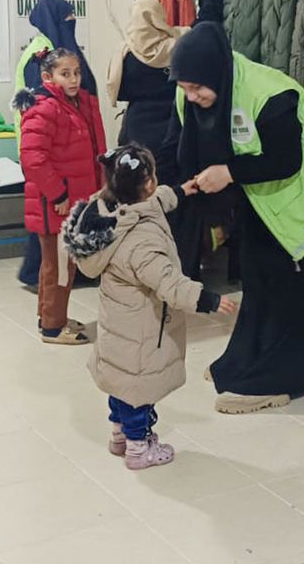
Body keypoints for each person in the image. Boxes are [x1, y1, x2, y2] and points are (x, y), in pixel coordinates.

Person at [171, 22, 304, 414]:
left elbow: (286, 160)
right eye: (185, 88)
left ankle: (284, 377)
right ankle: (245, 360)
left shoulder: (270, 93)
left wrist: (228, 173)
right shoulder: (193, 92)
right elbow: (184, 146)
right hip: (262, 198)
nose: (192, 96)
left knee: (295, 290)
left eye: (197, 88)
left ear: (216, 72)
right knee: (258, 277)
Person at [62, 143, 238, 469]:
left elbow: (156, 202)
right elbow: (168, 282)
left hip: (119, 326)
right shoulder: (141, 241)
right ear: (148, 183)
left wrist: (182, 191)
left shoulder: (113, 212)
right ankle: (138, 449)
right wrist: (207, 299)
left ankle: (119, 435)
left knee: (121, 382)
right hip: (142, 332)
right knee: (139, 393)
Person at [15, 48, 107, 345]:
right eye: (65, 74)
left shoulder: (74, 104)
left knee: (55, 265)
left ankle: (49, 317)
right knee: (60, 268)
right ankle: (53, 328)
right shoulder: (45, 107)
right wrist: (58, 194)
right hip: (57, 204)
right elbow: (33, 158)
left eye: (76, 73)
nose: (74, 79)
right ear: (47, 77)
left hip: (72, 201)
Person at [107, 0, 224, 186]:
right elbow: (208, 22)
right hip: (172, 131)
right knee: (173, 190)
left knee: (139, 189)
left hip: (134, 132)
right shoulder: (179, 46)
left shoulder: (122, 55)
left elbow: (117, 90)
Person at [15, 0, 97, 290]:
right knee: (51, 223)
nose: (72, 22)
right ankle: (42, 281)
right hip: (50, 152)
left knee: (61, 223)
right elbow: (43, 108)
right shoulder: (42, 54)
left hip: (66, 150)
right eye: (67, 17)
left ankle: (56, 277)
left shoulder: (56, 49)